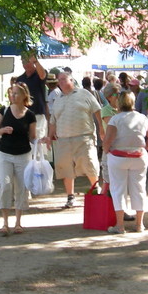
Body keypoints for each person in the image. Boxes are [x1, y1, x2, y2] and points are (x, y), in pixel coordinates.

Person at [45, 72, 104, 209]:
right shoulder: (58, 98)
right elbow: (53, 121)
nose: (60, 82)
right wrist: (49, 136)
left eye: (63, 79)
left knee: (90, 165)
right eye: (59, 80)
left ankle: (97, 190)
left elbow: (98, 110)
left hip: (84, 137)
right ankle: (70, 197)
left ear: (71, 80)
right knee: (66, 169)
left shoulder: (84, 94)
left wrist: (101, 128)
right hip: (63, 139)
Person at [103, 91, 148, 233]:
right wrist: (145, 148)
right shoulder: (142, 118)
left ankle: (120, 226)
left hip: (118, 157)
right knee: (139, 189)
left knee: (118, 189)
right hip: (138, 156)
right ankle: (139, 224)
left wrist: (107, 150)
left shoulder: (115, 119)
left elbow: (107, 141)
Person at [0, 84, 37, 236]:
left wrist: (41, 142)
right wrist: (3, 130)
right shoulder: (3, 111)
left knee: (22, 188)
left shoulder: (30, 115)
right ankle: (5, 223)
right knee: (5, 185)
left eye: (16, 94)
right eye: (12, 93)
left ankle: (18, 223)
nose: (13, 96)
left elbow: (32, 136)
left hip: (23, 155)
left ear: (24, 96)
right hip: (4, 154)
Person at [16, 54, 49, 140]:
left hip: (38, 113)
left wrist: (36, 61)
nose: (25, 64)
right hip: (24, 114)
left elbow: (43, 75)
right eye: (23, 62)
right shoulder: (20, 79)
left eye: (28, 62)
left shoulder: (39, 74)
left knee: (38, 139)